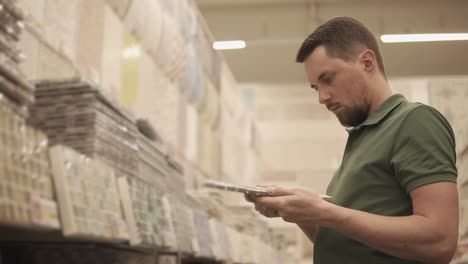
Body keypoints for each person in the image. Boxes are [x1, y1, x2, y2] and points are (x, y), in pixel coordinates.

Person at [246, 17, 458, 264]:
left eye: (329, 79)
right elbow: (348, 243)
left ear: (367, 63)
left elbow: (440, 241)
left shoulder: (415, 121)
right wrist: (301, 212)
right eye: (315, 87)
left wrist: (324, 211)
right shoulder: (362, 139)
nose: (322, 98)